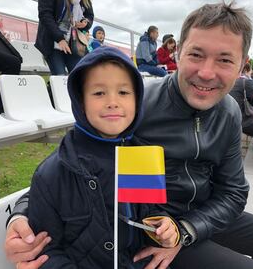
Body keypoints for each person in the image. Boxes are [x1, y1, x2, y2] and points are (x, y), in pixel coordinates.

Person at [5, 2, 253, 269]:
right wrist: (19, 217)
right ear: (178, 52)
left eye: (224, 60)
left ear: (242, 64)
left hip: (196, 219)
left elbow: (233, 192)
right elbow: (73, 164)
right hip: (149, 227)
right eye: (196, 55)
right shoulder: (134, 104)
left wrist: (186, 231)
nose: (207, 73)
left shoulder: (229, 112)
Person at [15, 46, 180, 268]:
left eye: (123, 92)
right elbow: (45, 250)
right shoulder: (53, 172)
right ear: (80, 101)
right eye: (99, 93)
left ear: (137, 100)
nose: (113, 101)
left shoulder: (143, 156)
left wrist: (166, 227)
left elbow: (151, 214)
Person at [35, 0, 94, 75]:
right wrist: (59, 39)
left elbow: (89, 15)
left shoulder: (85, 0)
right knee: (60, 76)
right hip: (53, 42)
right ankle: (52, 86)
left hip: (73, 43)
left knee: (78, 77)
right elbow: (45, 14)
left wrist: (85, 22)